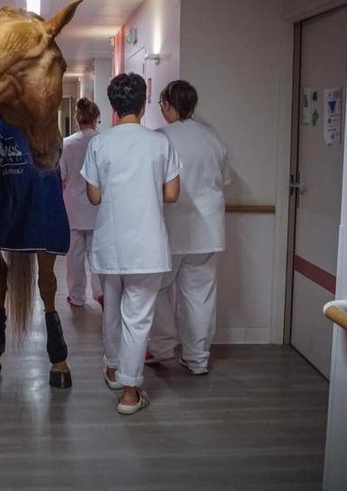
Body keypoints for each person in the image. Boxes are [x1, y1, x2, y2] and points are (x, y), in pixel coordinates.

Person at [80, 73, 181, 415]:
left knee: (112, 310)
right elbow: (172, 193)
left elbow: (94, 197)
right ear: (143, 103)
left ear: (112, 107)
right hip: (148, 244)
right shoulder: (160, 143)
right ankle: (129, 392)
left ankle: (112, 368)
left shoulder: (99, 144)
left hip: (110, 242)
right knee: (137, 318)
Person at [0, 111, 74, 388]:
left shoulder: (35, 109)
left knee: (46, 278)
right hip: (0, 186)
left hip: (38, 189)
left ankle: (58, 356)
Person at [145, 80, 231, 376]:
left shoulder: (159, 139)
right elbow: (224, 180)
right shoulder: (212, 138)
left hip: (169, 231)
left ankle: (162, 346)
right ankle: (197, 358)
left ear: (168, 105)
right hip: (209, 232)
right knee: (200, 295)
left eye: (161, 104)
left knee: (154, 290)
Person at [60, 97, 103, 309]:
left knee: (74, 257)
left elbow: (61, 177)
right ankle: (101, 291)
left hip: (73, 208)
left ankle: (76, 296)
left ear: (78, 119)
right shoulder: (104, 142)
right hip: (99, 207)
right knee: (97, 254)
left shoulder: (67, 144)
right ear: (96, 119)